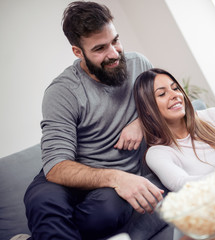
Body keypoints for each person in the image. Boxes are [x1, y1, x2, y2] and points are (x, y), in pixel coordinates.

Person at [23, 2, 167, 240]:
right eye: (100, 48)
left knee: (107, 211)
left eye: (115, 41)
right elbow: (57, 166)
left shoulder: (139, 64)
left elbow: (169, 103)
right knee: (42, 202)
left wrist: (142, 121)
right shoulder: (63, 91)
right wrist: (117, 177)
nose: (113, 53)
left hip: (107, 188)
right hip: (71, 173)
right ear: (78, 52)